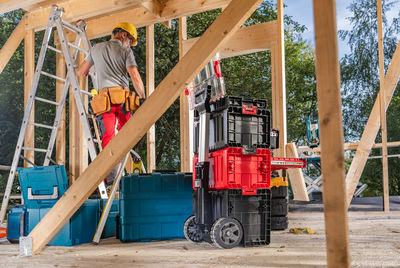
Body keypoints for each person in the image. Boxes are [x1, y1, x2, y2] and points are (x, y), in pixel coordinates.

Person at [77, 22, 145, 183]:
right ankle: (129, 160)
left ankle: (112, 179)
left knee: (108, 139)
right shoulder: (125, 51)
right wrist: (142, 97)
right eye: (130, 40)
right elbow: (134, 76)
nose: (129, 44)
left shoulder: (95, 49)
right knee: (128, 134)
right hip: (122, 100)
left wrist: (86, 71)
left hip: (104, 102)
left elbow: (80, 72)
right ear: (123, 35)